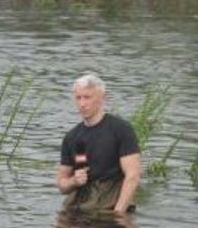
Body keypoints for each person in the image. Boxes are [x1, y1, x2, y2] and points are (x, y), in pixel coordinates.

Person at [56, 73, 141, 214]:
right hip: (81, 202)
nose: (82, 104)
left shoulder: (121, 129)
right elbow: (61, 184)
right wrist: (74, 182)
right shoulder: (71, 137)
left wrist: (118, 214)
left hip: (112, 202)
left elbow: (133, 176)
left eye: (87, 97)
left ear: (102, 99)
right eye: (78, 98)